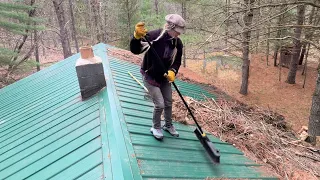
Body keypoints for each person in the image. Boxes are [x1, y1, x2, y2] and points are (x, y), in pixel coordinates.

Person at [130, 14, 185, 140]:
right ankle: (155, 127)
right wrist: (136, 37)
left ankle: (168, 125)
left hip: (164, 77)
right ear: (170, 27)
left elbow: (177, 61)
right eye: (177, 32)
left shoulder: (177, 43)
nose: (179, 34)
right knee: (159, 104)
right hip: (150, 75)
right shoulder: (155, 36)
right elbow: (135, 49)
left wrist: (173, 71)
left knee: (168, 102)